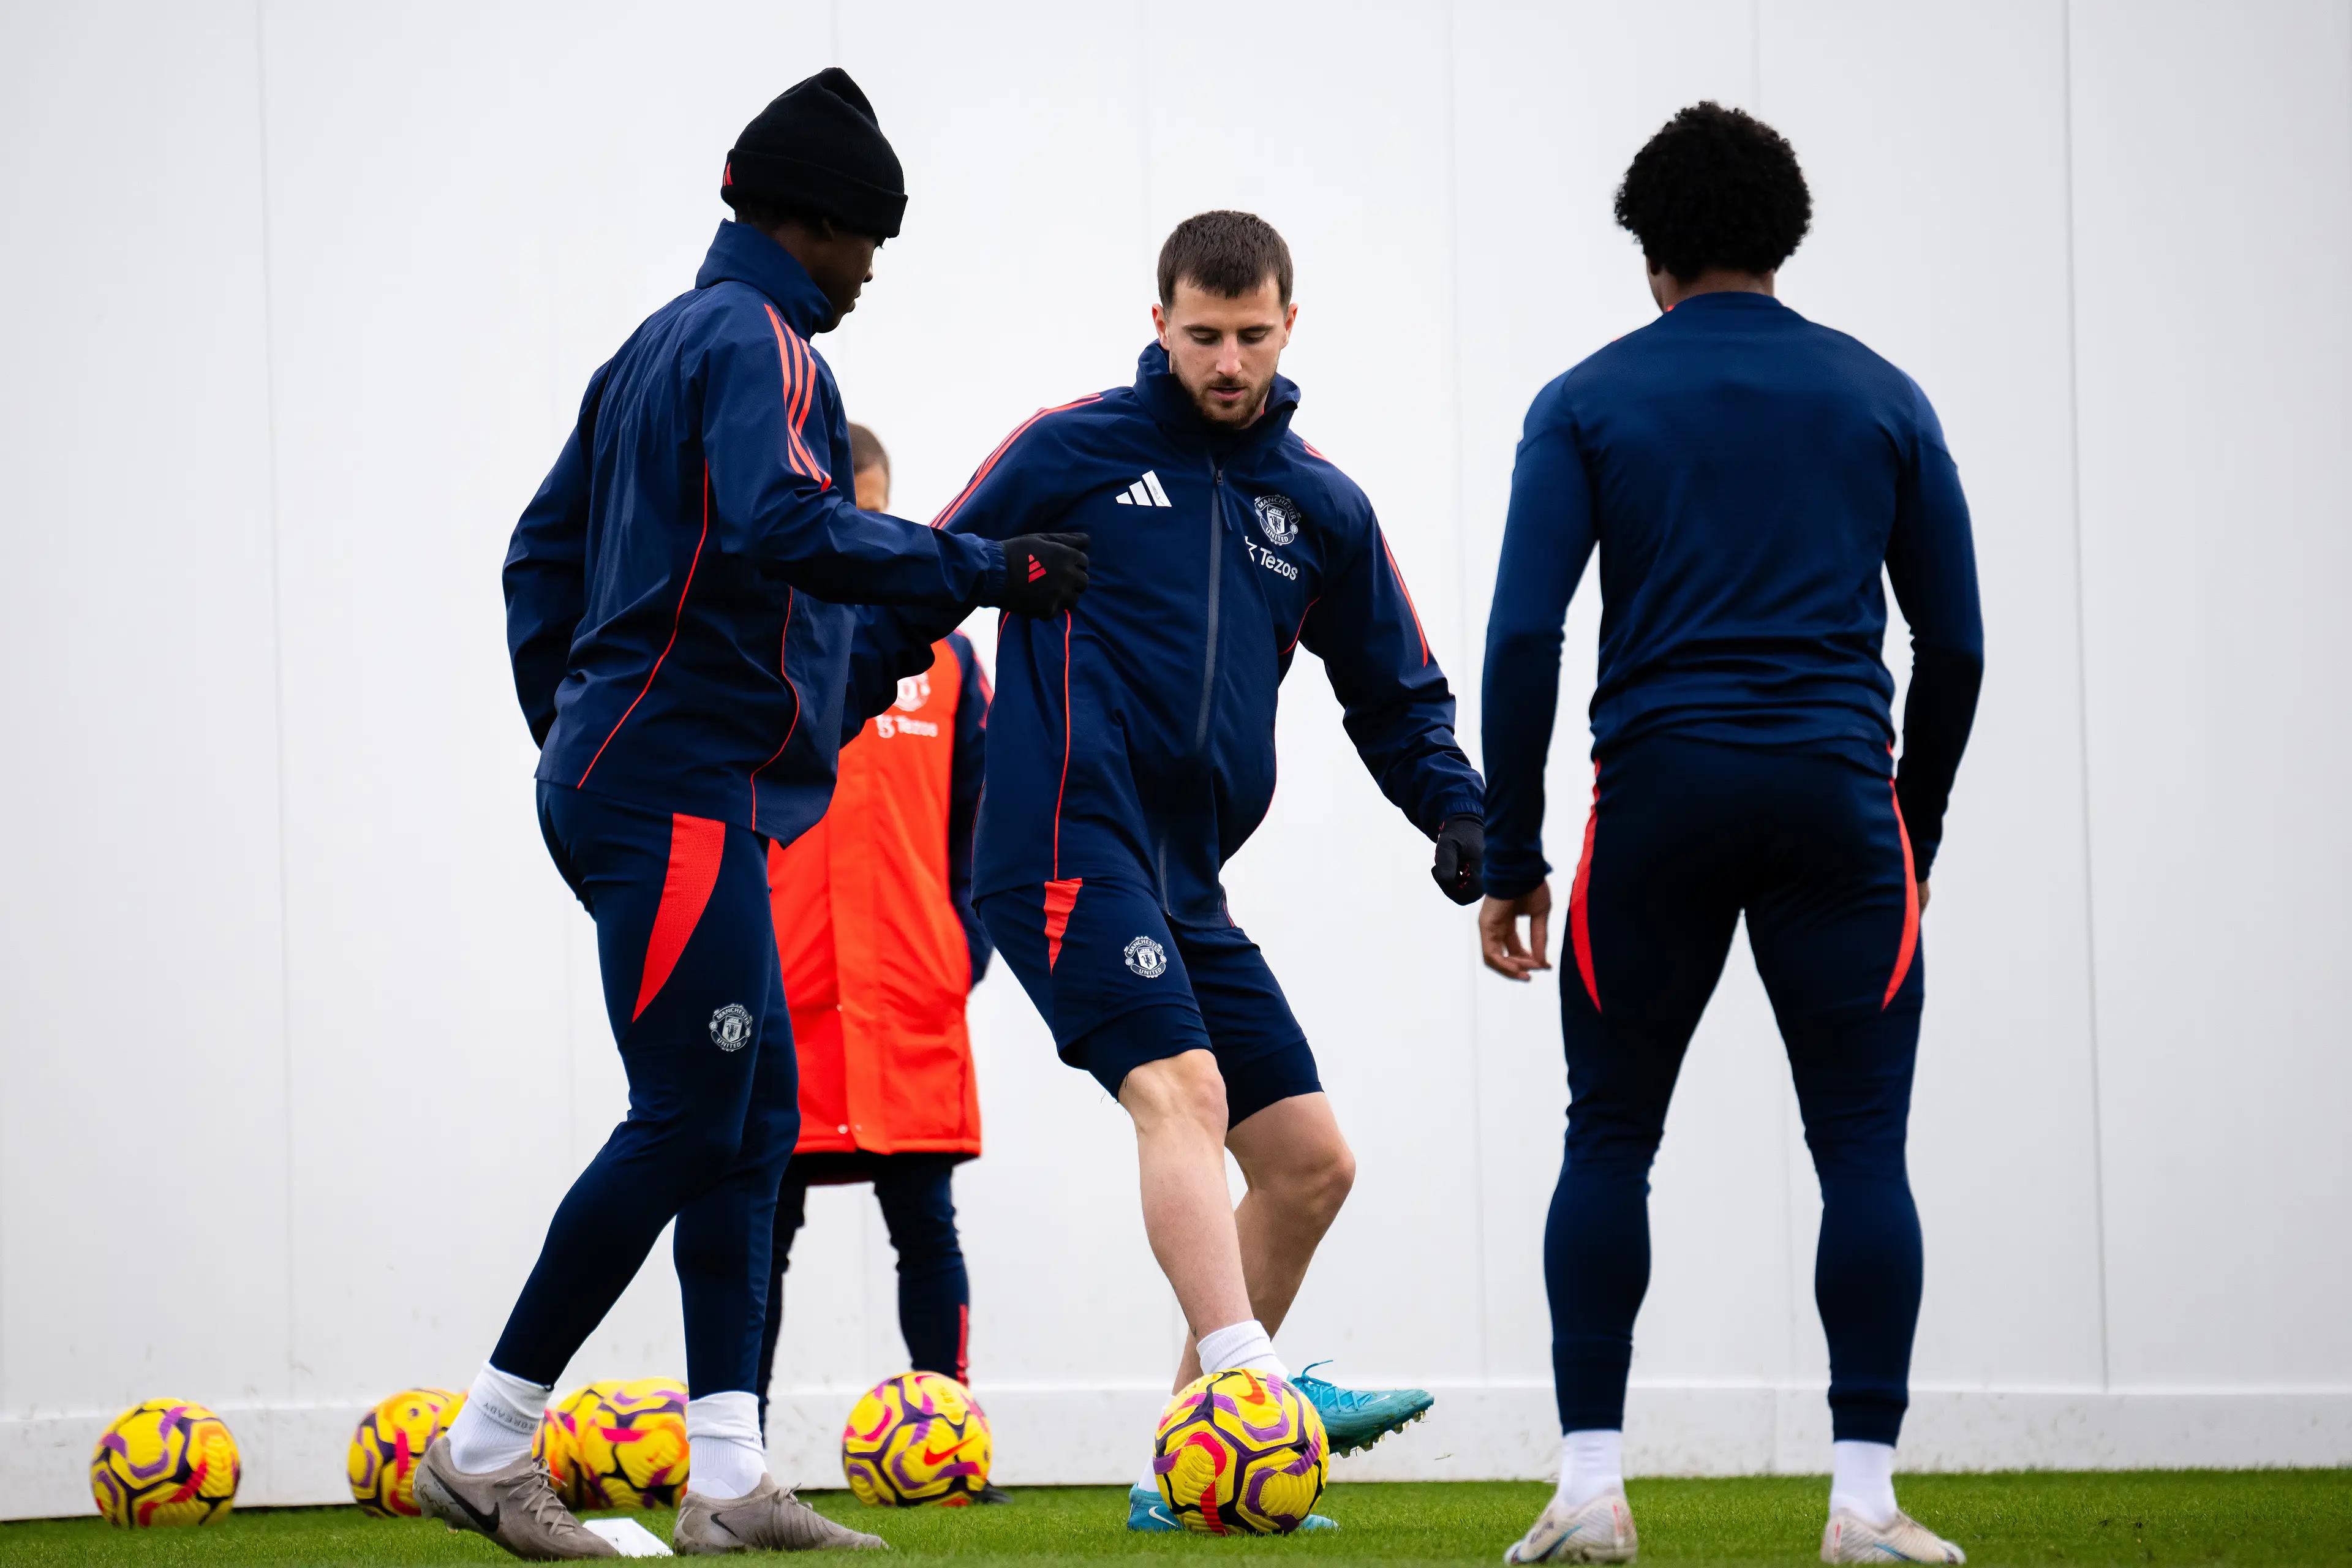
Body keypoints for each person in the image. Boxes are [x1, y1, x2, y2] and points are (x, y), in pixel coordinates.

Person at [422, 70, 1088, 1560]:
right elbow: (784, 523)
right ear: (818, 223)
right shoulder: (763, 344)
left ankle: (726, 1472)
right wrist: (978, 568)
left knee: (755, 1121)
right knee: (683, 1116)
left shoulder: (652, 348)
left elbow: (543, 558)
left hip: (658, 780)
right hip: (666, 792)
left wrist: (578, 724)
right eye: (868, 246)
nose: (869, 276)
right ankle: (486, 1442)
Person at [1477, 104, 1983, 1565]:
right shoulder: (1883, 394)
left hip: (1656, 798)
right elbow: (1952, 644)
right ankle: (1866, 1503)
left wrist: (1512, 851)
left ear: (1650, 254)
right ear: (1788, 238)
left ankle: (1588, 1495)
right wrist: (1917, 826)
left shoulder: (1585, 399)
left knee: (1610, 1136)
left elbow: (1524, 634)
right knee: (1864, 1148)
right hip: (1838, 802)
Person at [932, 210, 1490, 1532]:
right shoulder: (1072, 449)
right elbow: (926, 569)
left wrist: (1455, 813)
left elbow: (1398, 694)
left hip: (1188, 882)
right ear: (1158, 321)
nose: (1227, 361)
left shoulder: (1321, 506)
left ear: (1290, 324)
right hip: (1063, 846)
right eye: (1202, 335)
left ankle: (1175, 1474)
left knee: (1309, 1162)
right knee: (1180, 1088)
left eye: (1250, 335)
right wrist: (810, 715)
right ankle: (1253, 1385)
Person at [754, 426, 1011, 1506]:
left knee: (927, 1224)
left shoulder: (946, 659)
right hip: (784, 987)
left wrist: (969, 941)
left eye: (871, 521)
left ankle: (947, 1442)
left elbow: (984, 814)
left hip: (911, 985)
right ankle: (739, 1456)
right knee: (759, 1229)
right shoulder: (759, 634)